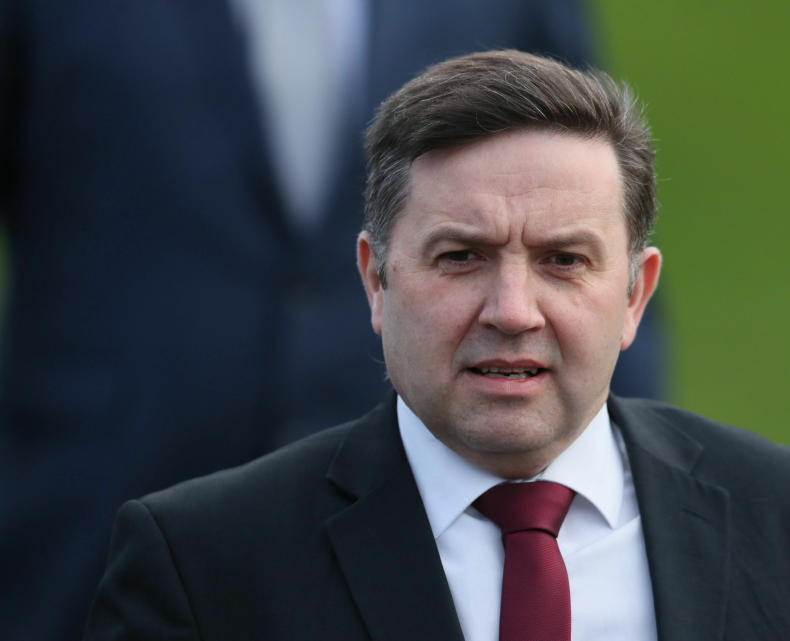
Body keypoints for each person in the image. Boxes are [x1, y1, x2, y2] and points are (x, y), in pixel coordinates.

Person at [83, 50, 790, 641]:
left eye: (564, 260)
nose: (512, 309)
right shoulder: (204, 563)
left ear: (635, 294)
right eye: (460, 255)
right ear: (376, 280)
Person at [0, 4, 656, 640]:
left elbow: (581, 199)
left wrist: (640, 489)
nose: (516, 307)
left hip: (423, 514)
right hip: (94, 501)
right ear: (373, 274)